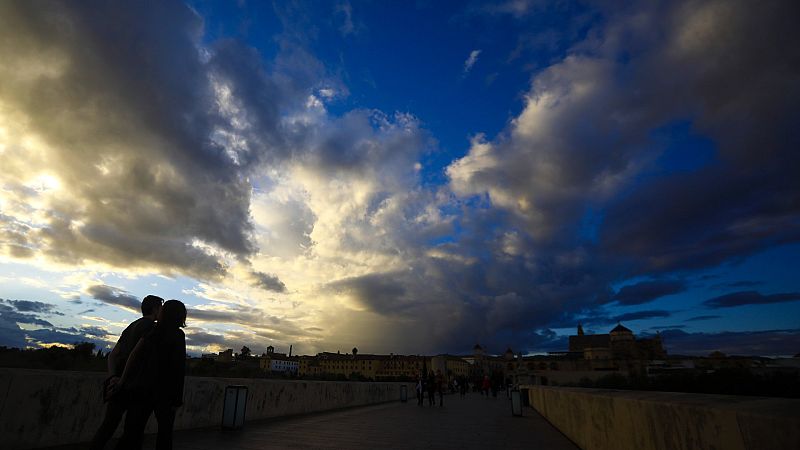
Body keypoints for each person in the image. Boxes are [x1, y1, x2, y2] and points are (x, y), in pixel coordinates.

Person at [90, 295, 163, 450]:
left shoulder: (132, 326)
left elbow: (112, 355)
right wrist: (123, 379)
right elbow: (135, 355)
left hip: (119, 386)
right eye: (161, 308)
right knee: (133, 432)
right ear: (155, 309)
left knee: (107, 427)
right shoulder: (152, 328)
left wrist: (113, 377)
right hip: (136, 386)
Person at [114, 299, 187, 450]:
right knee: (165, 435)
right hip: (165, 393)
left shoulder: (152, 331)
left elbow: (134, 356)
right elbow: (178, 369)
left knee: (132, 432)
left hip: (142, 388)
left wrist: (122, 381)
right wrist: (177, 399)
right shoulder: (178, 335)